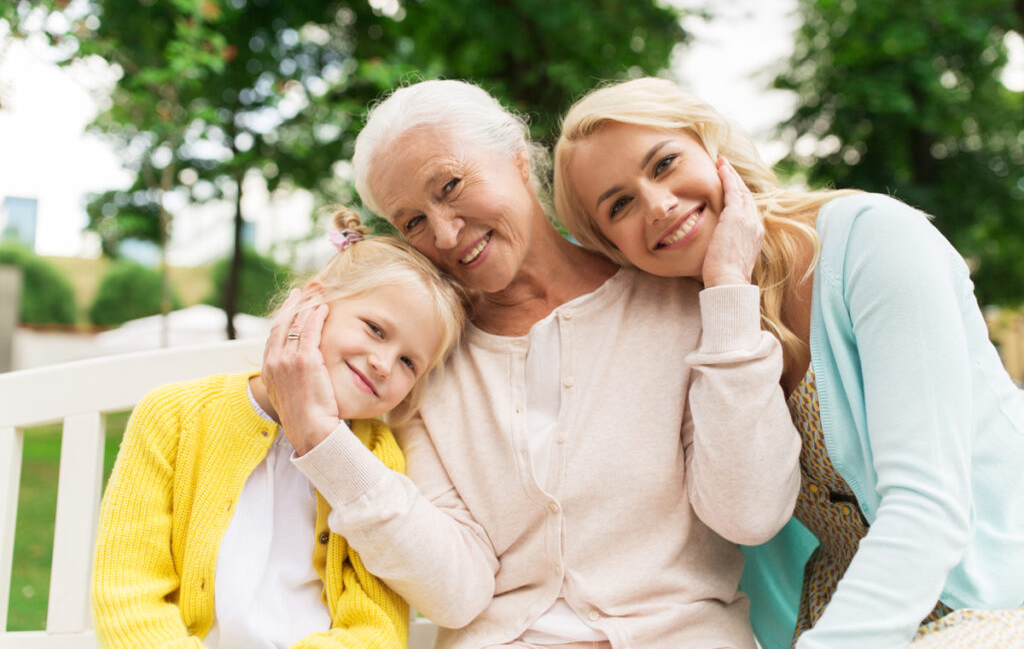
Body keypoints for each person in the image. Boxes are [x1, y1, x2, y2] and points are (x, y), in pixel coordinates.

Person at [260, 79, 802, 649]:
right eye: (413, 221)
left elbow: (751, 514)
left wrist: (727, 296)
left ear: (518, 158)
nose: (445, 233)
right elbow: (456, 593)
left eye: (450, 184)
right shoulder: (419, 365)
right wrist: (323, 442)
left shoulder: (682, 307)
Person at [552, 76, 1024, 649]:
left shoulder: (874, 241)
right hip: (848, 606)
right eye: (619, 204)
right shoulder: (693, 332)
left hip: (999, 588)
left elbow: (929, 502)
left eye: (665, 163)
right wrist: (728, 287)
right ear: (612, 246)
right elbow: (731, 517)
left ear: (712, 148)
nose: (658, 205)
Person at [90, 209, 467, 649]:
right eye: (375, 329)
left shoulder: (374, 456)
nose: (385, 365)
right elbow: (126, 591)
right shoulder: (173, 416)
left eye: (409, 363)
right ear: (311, 305)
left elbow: (376, 627)